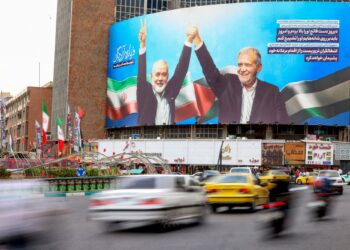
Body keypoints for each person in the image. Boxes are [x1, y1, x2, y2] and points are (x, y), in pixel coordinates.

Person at [188, 26, 290, 124]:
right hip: (229, 140)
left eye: (247, 65)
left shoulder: (272, 92)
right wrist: (197, 39)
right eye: (240, 64)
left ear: (259, 68)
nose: (242, 69)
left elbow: (282, 123)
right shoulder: (227, 84)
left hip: (257, 140)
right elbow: (209, 70)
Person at [137, 21, 193, 125]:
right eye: (157, 74)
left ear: (167, 76)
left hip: (168, 138)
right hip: (147, 139)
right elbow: (141, 73)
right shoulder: (144, 91)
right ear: (151, 76)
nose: (160, 78)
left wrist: (189, 40)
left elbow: (181, 70)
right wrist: (143, 44)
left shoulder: (170, 91)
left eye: (164, 74)